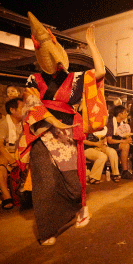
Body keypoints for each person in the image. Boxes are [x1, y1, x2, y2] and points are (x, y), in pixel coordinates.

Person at [16, 13, 108, 245]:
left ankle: (79, 208)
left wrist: (93, 46)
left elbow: (100, 73)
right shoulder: (33, 79)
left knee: (72, 184)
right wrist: (51, 121)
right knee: (44, 184)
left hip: (67, 133)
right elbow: (31, 104)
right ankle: (47, 230)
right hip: (41, 133)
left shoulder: (75, 78)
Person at [0, 97, 24, 209]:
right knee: (0, 164)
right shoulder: (2, 124)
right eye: (22, 107)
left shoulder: (26, 123)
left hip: (20, 153)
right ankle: (6, 195)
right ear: (12, 110)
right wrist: (11, 159)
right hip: (1, 153)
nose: (26, 110)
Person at [106, 105, 133, 180]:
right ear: (119, 114)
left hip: (119, 142)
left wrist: (128, 139)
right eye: (125, 112)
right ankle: (125, 171)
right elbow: (109, 140)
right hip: (111, 144)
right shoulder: (111, 123)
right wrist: (124, 141)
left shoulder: (123, 124)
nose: (126, 114)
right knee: (125, 146)